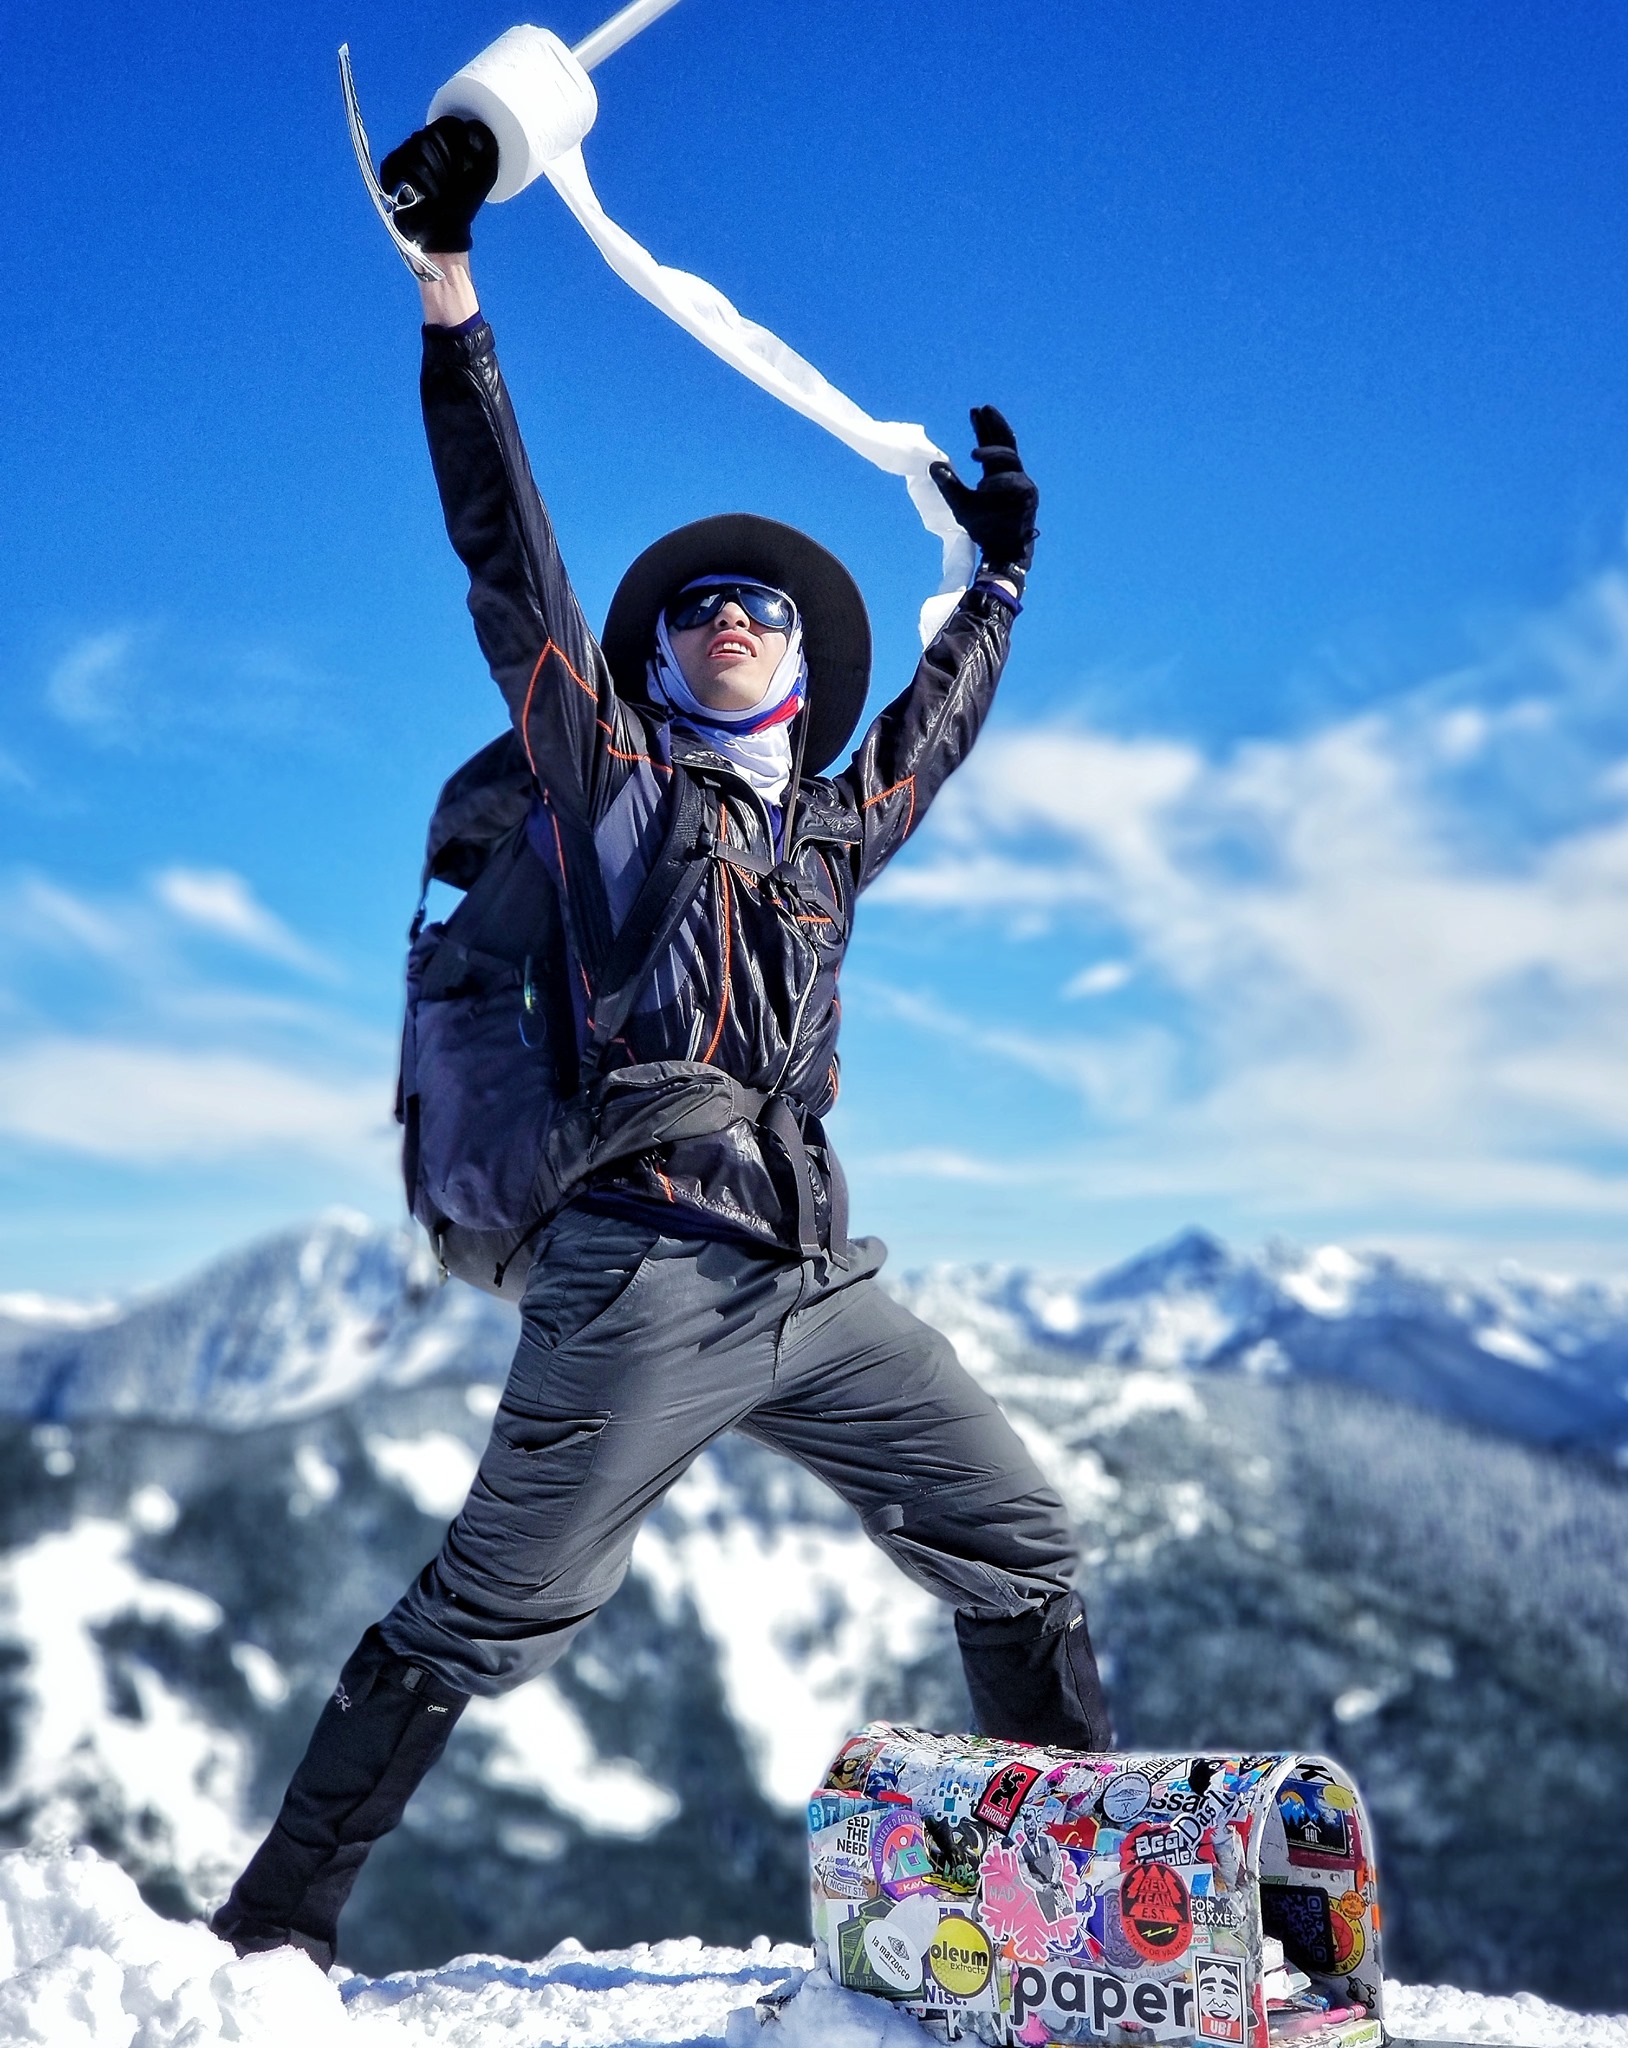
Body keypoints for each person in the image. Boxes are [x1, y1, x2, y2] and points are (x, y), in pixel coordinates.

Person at [211, 116, 1110, 1970]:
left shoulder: (826, 836)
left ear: (798, 662)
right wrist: (451, 298)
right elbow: (513, 572)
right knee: (484, 1618)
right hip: (637, 1277)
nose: (723, 618)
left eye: (758, 607)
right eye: (695, 605)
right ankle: (256, 1945)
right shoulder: (609, 789)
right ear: (654, 658)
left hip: (811, 1280)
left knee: (1016, 1534)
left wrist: (1005, 578)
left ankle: (1073, 1910)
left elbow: (932, 733)